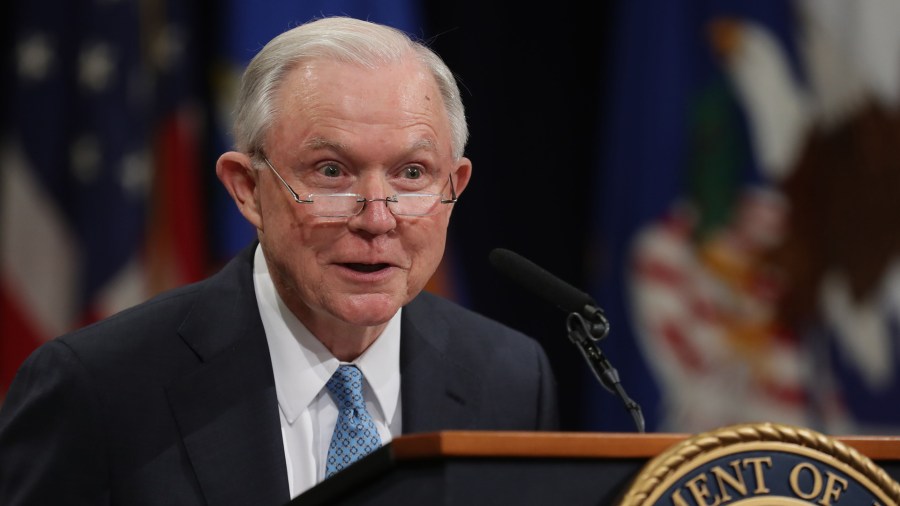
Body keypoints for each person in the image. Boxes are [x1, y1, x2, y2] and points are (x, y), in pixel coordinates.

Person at [0, 16, 559, 505]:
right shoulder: (99, 389)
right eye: (331, 172)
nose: (377, 218)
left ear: (454, 187)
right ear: (246, 189)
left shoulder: (508, 377)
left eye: (411, 173)